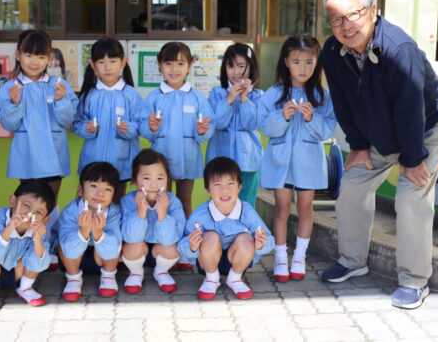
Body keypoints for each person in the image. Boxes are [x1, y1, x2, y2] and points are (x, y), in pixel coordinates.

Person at [319, 0, 438, 309]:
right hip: (377, 134)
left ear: (373, 11)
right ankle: (353, 260)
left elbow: (410, 107)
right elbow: (343, 102)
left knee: (411, 199)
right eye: (336, 19)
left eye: (353, 14)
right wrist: (359, 145)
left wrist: (412, 158)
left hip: (424, 128)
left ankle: (413, 280)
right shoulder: (331, 52)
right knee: (350, 188)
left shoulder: (398, 49)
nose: (345, 25)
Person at [0, 30, 78, 270]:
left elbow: (67, 119)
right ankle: (27, 243)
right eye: (28, 55)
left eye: (40, 57)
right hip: (26, 154)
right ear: (18, 55)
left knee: (50, 200)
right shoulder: (9, 88)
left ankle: (50, 244)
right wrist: (13, 103)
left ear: (49, 58)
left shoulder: (58, 85)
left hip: (54, 152)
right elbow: (9, 124)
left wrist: (62, 100)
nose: (34, 62)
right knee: (29, 201)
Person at [258, 35, 337, 283]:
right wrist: (282, 116)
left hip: (309, 162)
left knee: (305, 209)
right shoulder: (273, 94)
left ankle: (299, 257)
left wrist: (313, 118)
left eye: (308, 62)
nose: (302, 68)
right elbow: (265, 128)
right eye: (296, 62)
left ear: (317, 63)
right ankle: (281, 258)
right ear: (286, 62)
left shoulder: (322, 96)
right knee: (281, 209)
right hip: (280, 161)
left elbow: (329, 130)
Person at [140, 41, 214, 269]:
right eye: (169, 63)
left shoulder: (197, 97)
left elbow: (207, 128)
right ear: (160, 66)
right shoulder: (154, 97)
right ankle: (162, 249)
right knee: (160, 204)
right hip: (160, 165)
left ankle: (185, 250)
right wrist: (151, 127)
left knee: (184, 204)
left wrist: (202, 131)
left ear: (190, 65)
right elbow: (143, 128)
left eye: (180, 63)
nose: (174, 69)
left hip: (188, 159)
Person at [178, 157, 274, 300]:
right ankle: (211, 279)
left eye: (230, 183)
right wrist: (191, 246)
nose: (225, 190)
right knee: (209, 236)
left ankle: (234, 278)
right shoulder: (201, 214)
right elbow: (183, 243)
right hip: (208, 261)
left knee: (247, 238)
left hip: (236, 260)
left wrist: (262, 243)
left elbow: (268, 238)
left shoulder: (246, 211)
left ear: (239, 187)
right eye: (217, 184)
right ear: (208, 190)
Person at [0, 180, 53, 317]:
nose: (30, 214)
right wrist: (10, 228)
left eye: (38, 212)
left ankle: (25, 288)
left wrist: (37, 241)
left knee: (37, 252)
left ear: (45, 219)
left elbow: (40, 264)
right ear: (12, 201)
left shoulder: (37, 230)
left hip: (15, 272)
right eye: (26, 206)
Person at [72, 37, 144, 202]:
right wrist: (86, 128)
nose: (107, 67)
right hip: (92, 162)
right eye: (101, 62)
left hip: (122, 163)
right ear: (93, 65)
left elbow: (141, 123)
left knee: (118, 203)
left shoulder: (131, 95)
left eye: (112, 61)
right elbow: (77, 123)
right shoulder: (89, 95)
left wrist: (129, 128)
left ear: (123, 63)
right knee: (91, 203)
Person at [120, 149, 186, 294]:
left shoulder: (173, 202)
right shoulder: (128, 201)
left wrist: (162, 214)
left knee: (173, 247)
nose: (154, 184)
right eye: (146, 178)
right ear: (134, 179)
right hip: (137, 252)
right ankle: (136, 273)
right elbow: (129, 237)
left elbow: (172, 239)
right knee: (132, 246)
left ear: (167, 179)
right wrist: (140, 213)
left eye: (160, 178)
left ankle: (161, 272)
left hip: (162, 252)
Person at [206, 43, 263, 208]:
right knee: (219, 205)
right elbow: (217, 123)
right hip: (220, 160)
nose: (236, 72)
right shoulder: (217, 93)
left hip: (249, 161)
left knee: (246, 205)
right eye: (230, 66)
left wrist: (244, 99)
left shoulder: (258, 96)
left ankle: (244, 233)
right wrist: (229, 99)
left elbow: (251, 124)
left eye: (241, 66)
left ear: (251, 67)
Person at [57, 162, 122, 301]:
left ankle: (109, 276)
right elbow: (69, 250)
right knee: (63, 244)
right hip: (74, 260)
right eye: (93, 186)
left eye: (108, 189)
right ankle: (74, 279)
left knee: (116, 241)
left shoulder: (114, 213)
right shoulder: (70, 212)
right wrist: (83, 232)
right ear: (80, 190)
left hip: (102, 259)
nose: (100, 193)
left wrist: (99, 234)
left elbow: (113, 247)